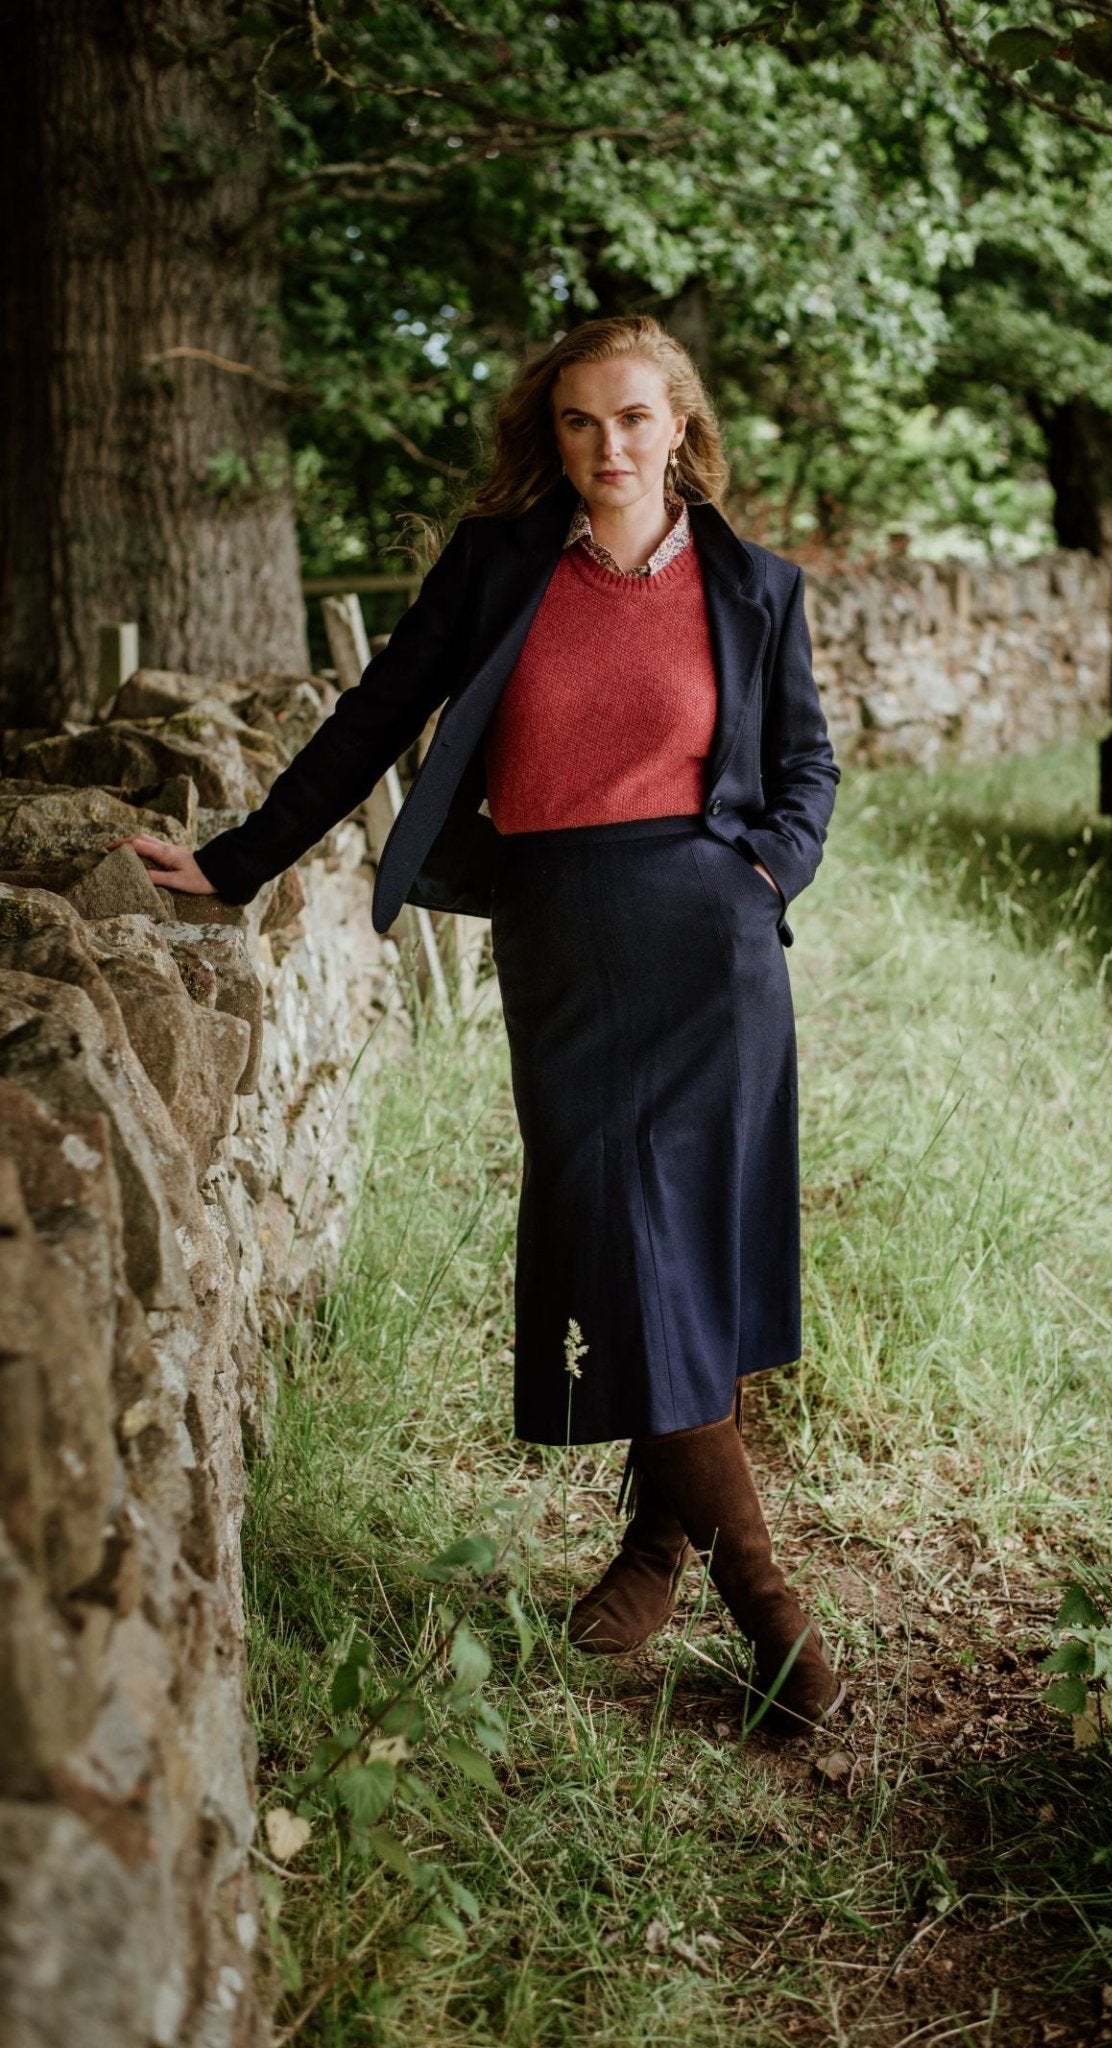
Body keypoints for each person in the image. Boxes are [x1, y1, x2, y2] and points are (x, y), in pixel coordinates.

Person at [121, 315, 843, 1738]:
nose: (607, 447)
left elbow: (805, 759)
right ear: (551, 432)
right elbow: (375, 712)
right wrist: (238, 858)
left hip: (712, 948)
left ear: (680, 426)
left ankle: (698, 1571)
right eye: (579, 422)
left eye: (634, 419)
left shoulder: (755, 587)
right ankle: (752, 1588)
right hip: (562, 933)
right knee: (617, 1231)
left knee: (680, 1245)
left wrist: (767, 870)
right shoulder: (502, 565)